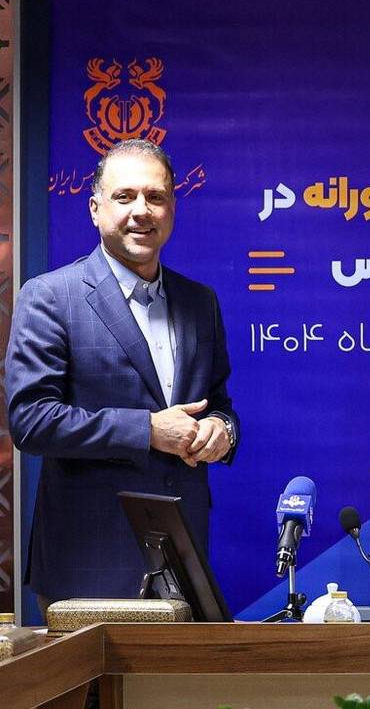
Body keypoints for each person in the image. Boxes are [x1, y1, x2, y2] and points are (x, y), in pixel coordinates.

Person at [6, 139, 238, 610]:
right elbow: (31, 421)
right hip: (88, 561)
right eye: (124, 196)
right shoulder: (50, 296)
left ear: (172, 209)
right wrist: (147, 429)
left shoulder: (200, 302)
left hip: (184, 560)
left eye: (155, 197)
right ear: (95, 209)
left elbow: (218, 403)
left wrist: (222, 430)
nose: (141, 211)